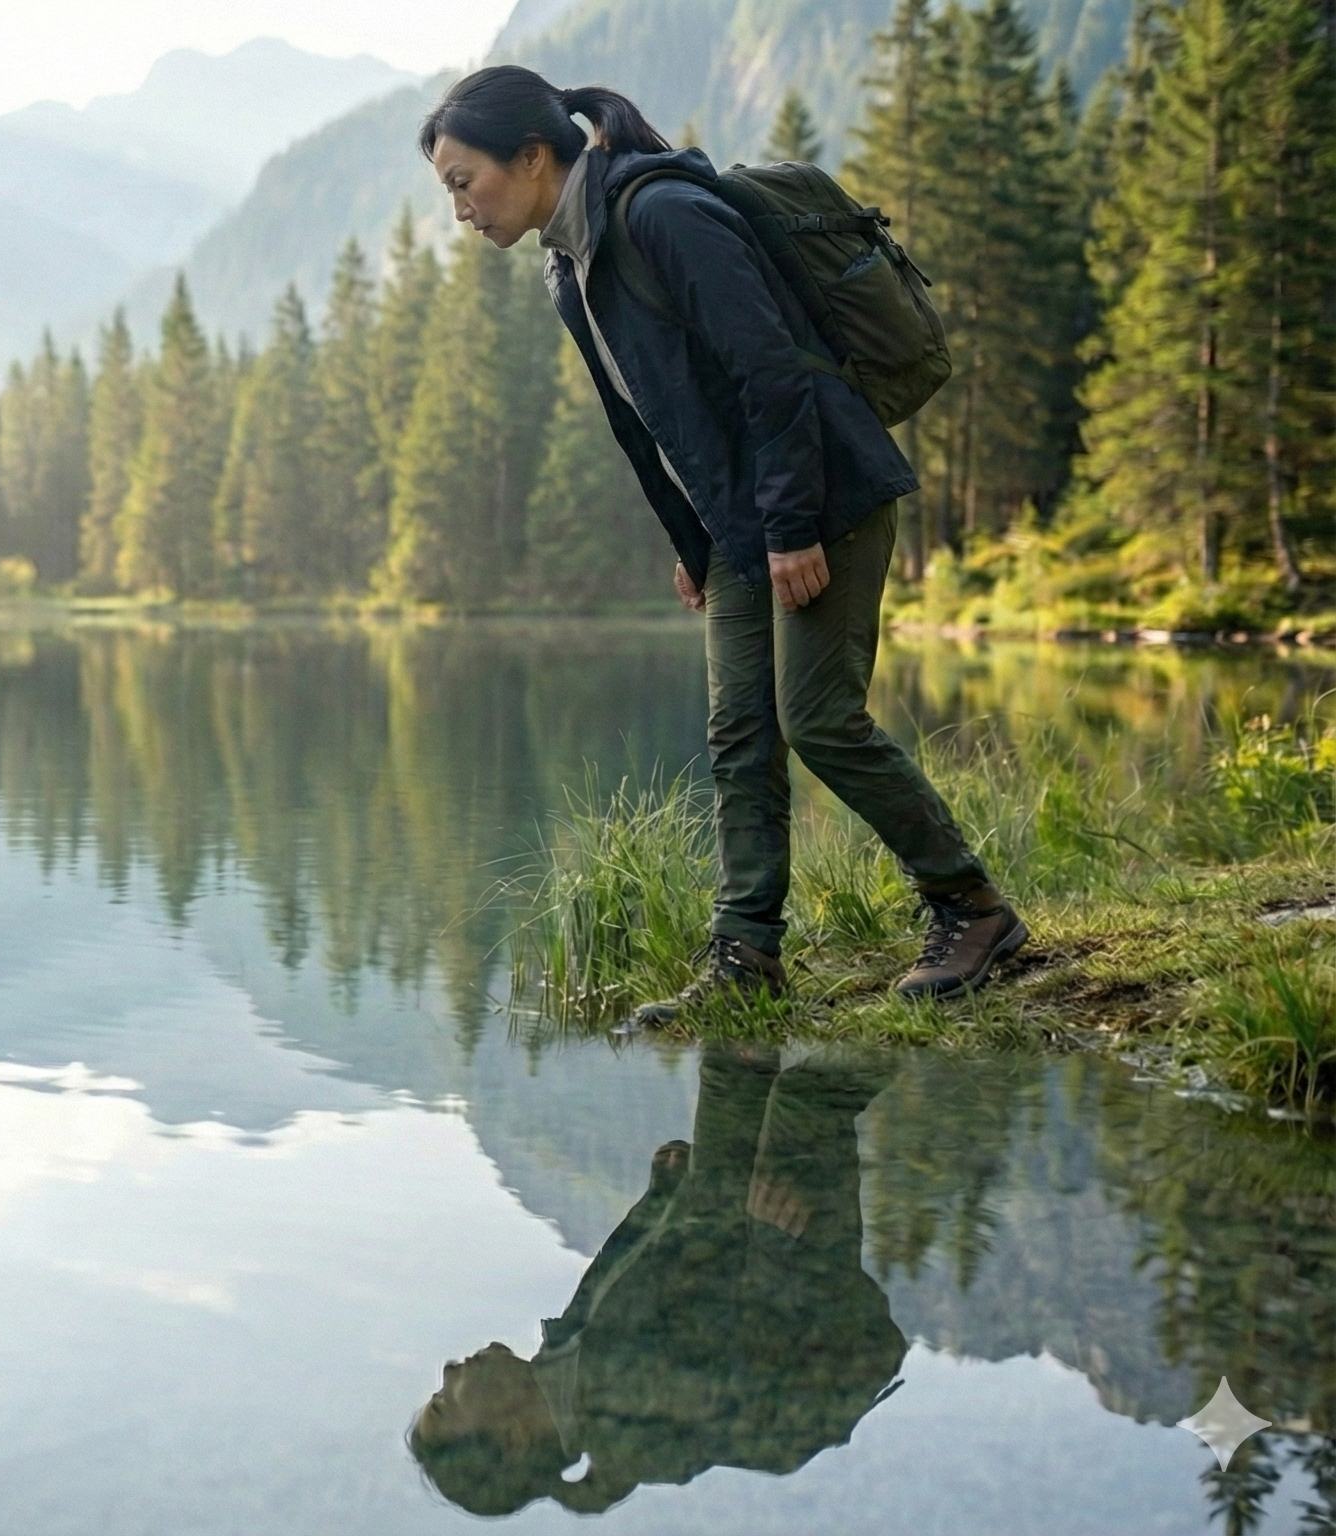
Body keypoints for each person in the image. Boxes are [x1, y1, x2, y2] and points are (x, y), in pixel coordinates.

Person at [416, 65, 1026, 1021]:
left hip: (822, 492)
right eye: (448, 190)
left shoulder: (659, 215)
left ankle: (973, 909)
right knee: (740, 733)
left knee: (818, 718)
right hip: (743, 519)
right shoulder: (570, 265)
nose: (459, 209)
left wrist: (788, 528)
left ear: (531, 157)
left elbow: (769, 373)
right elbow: (645, 420)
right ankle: (746, 958)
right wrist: (694, 539)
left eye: (464, 181)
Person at [407, 1047, 907, 1516]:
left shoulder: (564, 1355)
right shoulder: (625, 1425)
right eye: (446, 1403)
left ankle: (747, 962)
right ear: (512, 1437)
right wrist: (777, 1249)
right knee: (806, 1103)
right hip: (819, 1315)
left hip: (735, 1231)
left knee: (733, 1068)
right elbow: (751, 1366)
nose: (450, 1371)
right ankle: (930, 995)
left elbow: (629, 1268)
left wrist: (664, 1194)